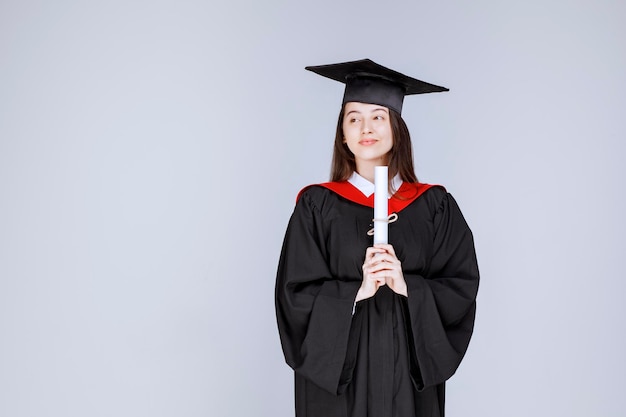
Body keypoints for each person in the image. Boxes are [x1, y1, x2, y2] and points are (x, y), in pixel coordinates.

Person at [275, 59, 479, 417]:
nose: (365, 128)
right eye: (353, 118)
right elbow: (293, 297)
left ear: (397, 128)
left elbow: (460, 288)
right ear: (342, 133)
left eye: (377, 117)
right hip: (339, 393)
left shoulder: (434, 206)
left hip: (406, 387)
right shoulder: (316, 206)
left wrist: (407, 286)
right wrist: (355, 292)